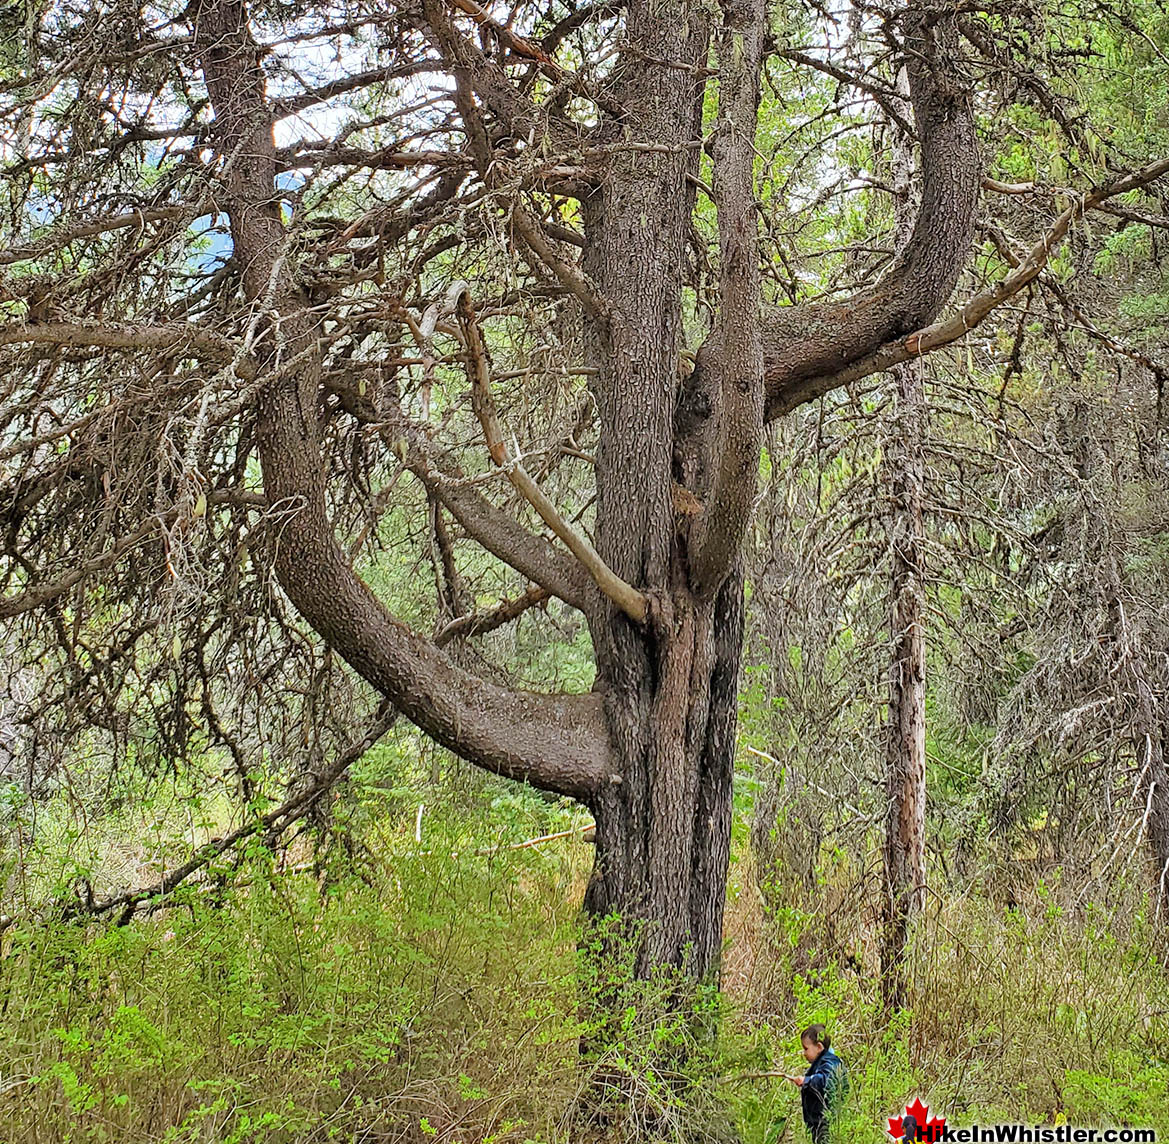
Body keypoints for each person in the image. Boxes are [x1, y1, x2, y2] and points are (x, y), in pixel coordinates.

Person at [783, 1023, 848, 1143]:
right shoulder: (821, 1062)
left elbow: (825, 1079)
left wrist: (806, 1081)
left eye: (806, 1049)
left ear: (819, 1047)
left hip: (826, 1122)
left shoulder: (830, 1062)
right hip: (818, 1123)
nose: (804, 1053)